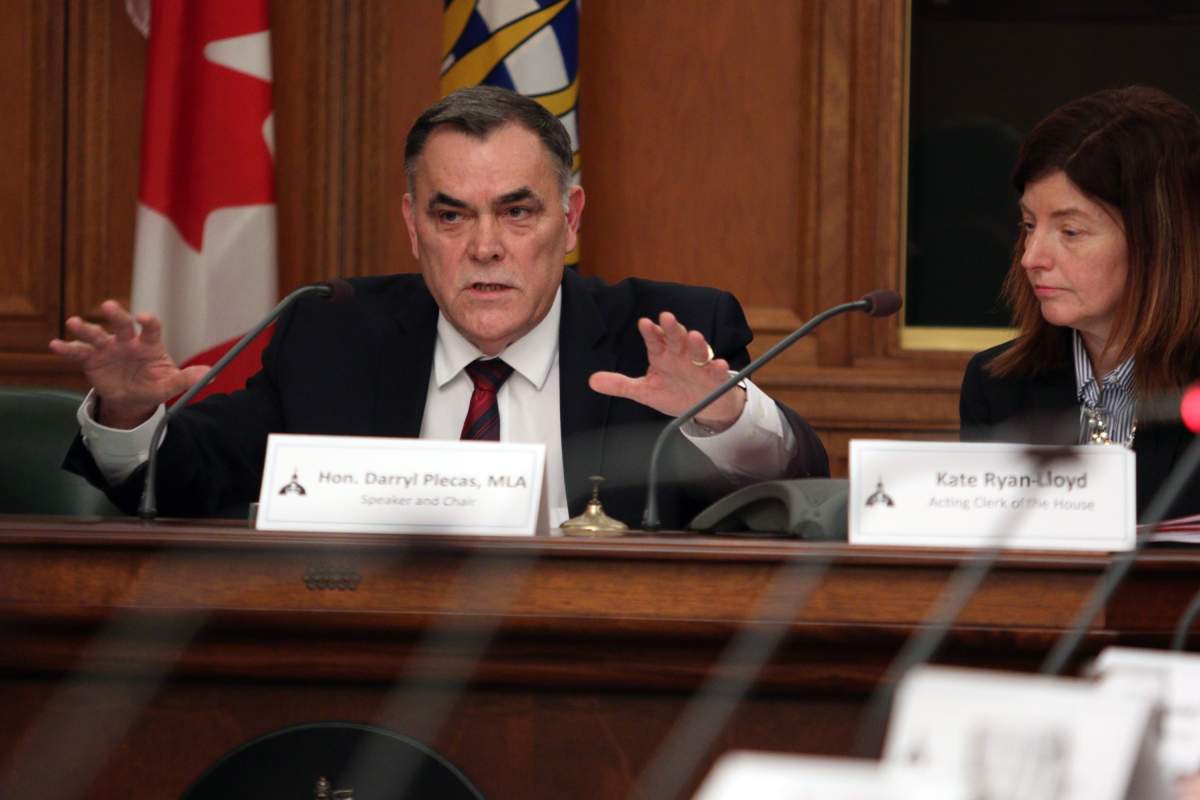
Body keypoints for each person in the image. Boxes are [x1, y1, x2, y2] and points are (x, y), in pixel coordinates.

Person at [50, 85, 828, 529]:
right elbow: (188, 483)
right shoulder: (332, 332)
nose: (484, 247)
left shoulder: (664, 335)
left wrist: (723, 420)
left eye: (518, 213)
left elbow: (797, 488)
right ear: (413, 225)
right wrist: (126, 417)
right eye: (452, 215)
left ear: (572, 220)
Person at [960, 86, 1200, 519]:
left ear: (1159, 244)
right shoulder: (997, 386)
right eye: (1029, 225)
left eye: (1070, 232)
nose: (1032, 258)